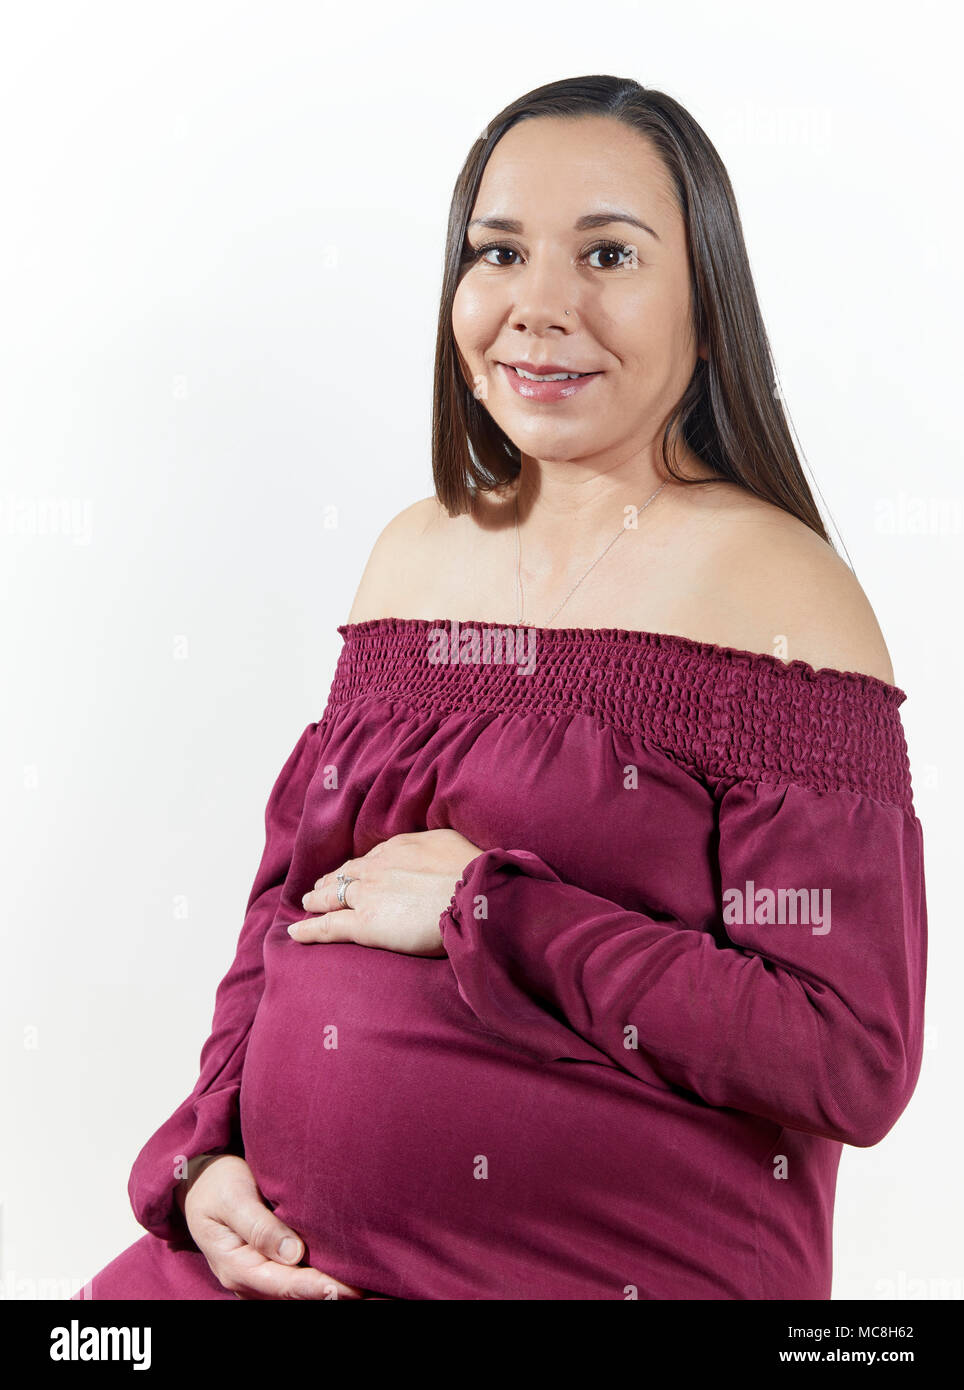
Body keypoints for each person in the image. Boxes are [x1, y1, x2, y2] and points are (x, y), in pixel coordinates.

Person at [71, 75, 927, 1301]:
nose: (539, 306)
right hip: (282, 1264)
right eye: (500, 251)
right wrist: (211, 1156)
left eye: (607, 253)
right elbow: (284, 911)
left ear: (706, 312)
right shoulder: (409, 556)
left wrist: (495, 911)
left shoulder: (782, 599)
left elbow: (846, 1052)